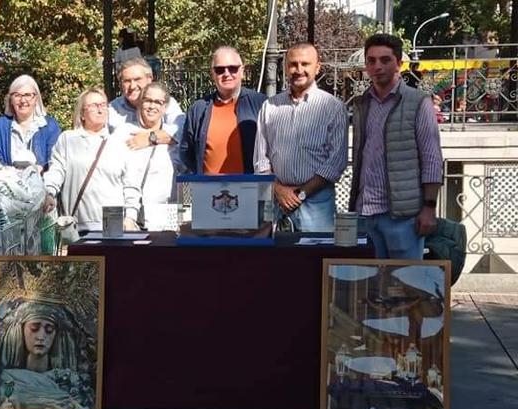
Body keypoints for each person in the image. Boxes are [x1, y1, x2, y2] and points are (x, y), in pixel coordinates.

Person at [348, 34, 443, 259]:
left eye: (385, 60)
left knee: (406, 284)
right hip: (366, 212)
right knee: (370, 286)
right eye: (371, 61)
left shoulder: (418, 102)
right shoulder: (362, 103)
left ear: (399, 64)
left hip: (403, 216)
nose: (377, 66)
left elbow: (431, 159)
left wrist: (429, 207)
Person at [254, 43, 348, 232]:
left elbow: (335, 162)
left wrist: (300, 194)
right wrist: (279, 191)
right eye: (293, 64)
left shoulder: (332, 107)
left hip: (317, 205)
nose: (299, 70)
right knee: (274, 261)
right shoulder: (270, 107)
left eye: (305, 64)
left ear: (317, 67)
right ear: (286, 67)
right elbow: (260, 160)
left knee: (316, 259)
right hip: (276, 203)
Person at [43, 88, 141, 232]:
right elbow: (56, 171)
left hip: (113, 224)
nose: (100, 110)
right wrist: (49, 193)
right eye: (94, 106)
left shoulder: (119, 143)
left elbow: (131, 184)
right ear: (82, 113)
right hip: (77, 225)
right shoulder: (68, 139)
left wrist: (131, 217)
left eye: (103, 105)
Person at [180, 46, 267, 175]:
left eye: (233, 68)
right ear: (212, 74)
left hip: (250, 189)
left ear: (242, 71)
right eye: (220, 70)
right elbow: (187, 152)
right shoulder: (198, 109)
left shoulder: (261, 104)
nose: (227, 74)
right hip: (209, 190)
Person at [0, 298, 90, 409]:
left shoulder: (71, 379)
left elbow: (82, 408)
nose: (41, 337)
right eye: (34, 328)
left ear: (56, 335)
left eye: (49, 330)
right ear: (21, 330)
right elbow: (7, 396)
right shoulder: (9, 377)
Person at [109, 82, 181, 227]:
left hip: (165, 219)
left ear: (165, 107)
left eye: (158, 102)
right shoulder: (123, 132)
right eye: (147, 100)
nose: (152, 106)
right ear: (140, 103)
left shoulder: (174, 134)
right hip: (129, 219)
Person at [0, 75, 61, 170]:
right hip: (7, 181)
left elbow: (54, 159)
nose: (23, 100)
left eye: (27, 95)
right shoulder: (0, 125)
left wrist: (39, 169)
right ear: (11, 100)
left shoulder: (50, 126)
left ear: (36, 99)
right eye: (17, 95)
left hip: (42, 182)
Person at [108, 58, 184, 148]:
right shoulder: (112, 109)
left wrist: (151, 138)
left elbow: (180, 132)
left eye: (137, 79)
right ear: (120, 84)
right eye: (127, 81)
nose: (132, 86)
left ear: (149, 79)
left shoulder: (165, 103)